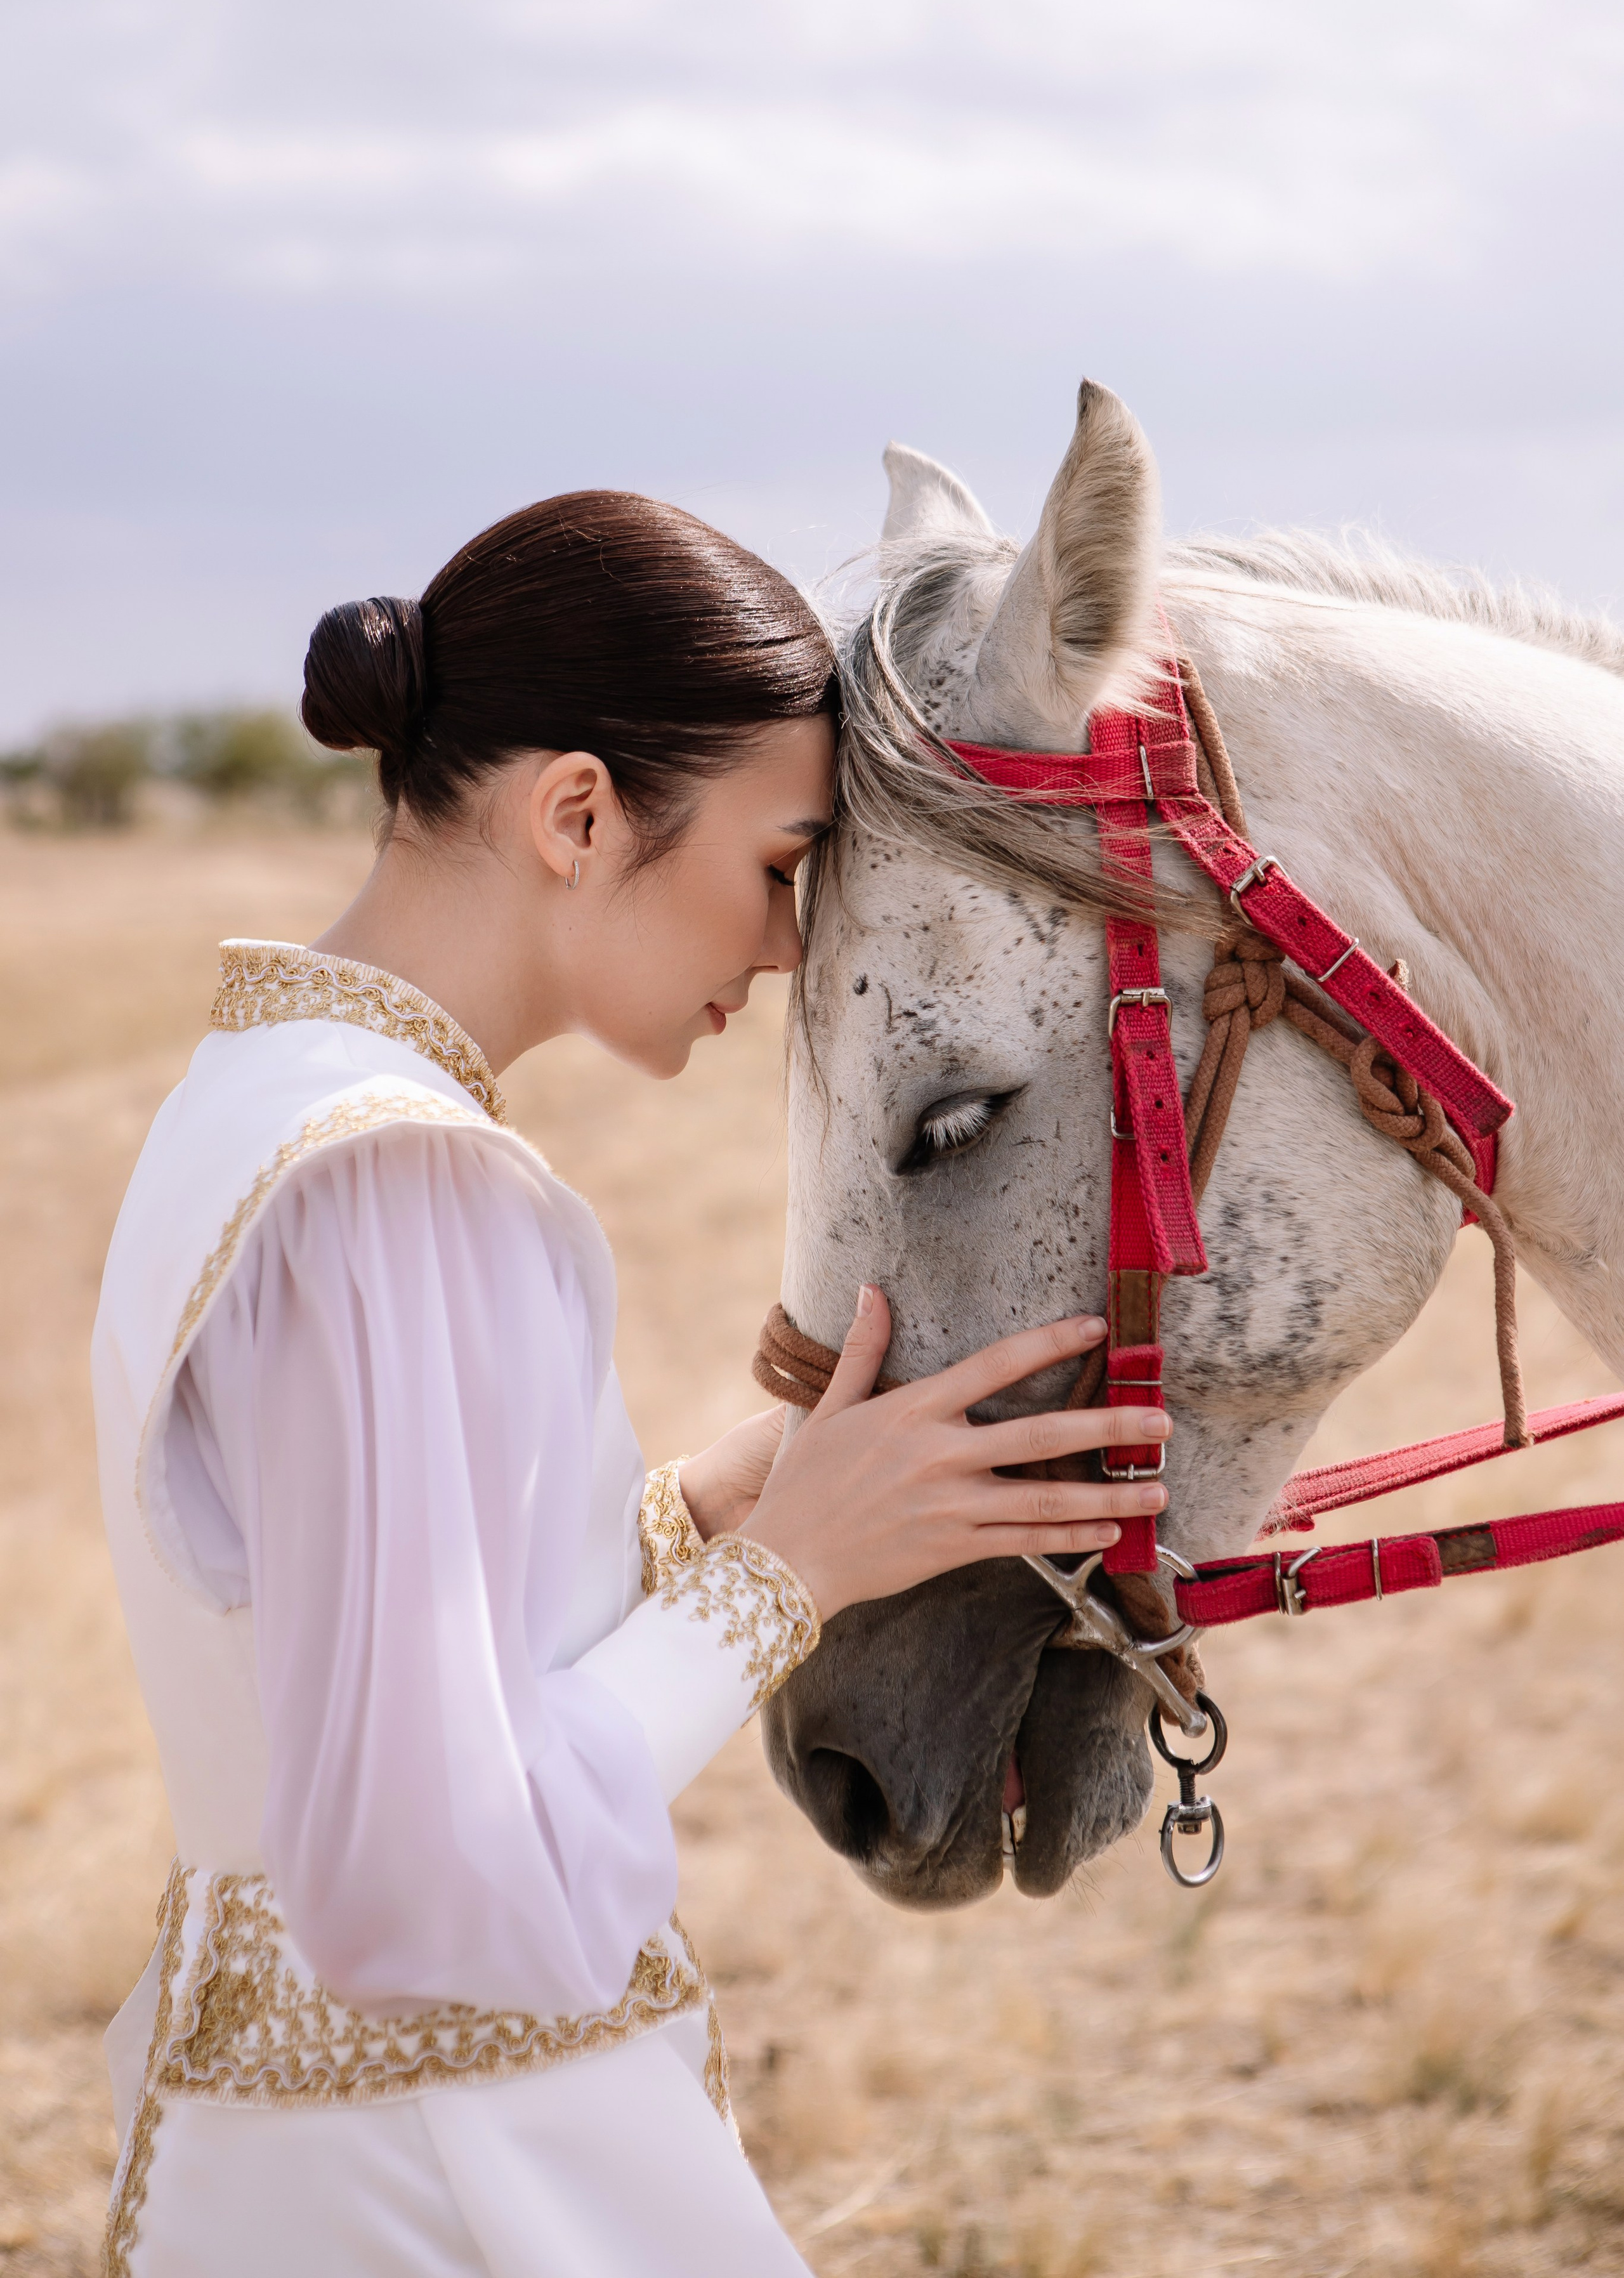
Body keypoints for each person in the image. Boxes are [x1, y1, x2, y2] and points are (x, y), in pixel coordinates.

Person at [91, 492, 1170, 2276]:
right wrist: (780, 1585)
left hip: (287, 2178)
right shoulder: (397, 1180)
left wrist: (699, 1516)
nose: (786, 947)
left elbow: (352, 1652)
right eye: (777, 864)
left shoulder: (256, 1103)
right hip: (464, 2197)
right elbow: (424, 1878)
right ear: (578, 814)